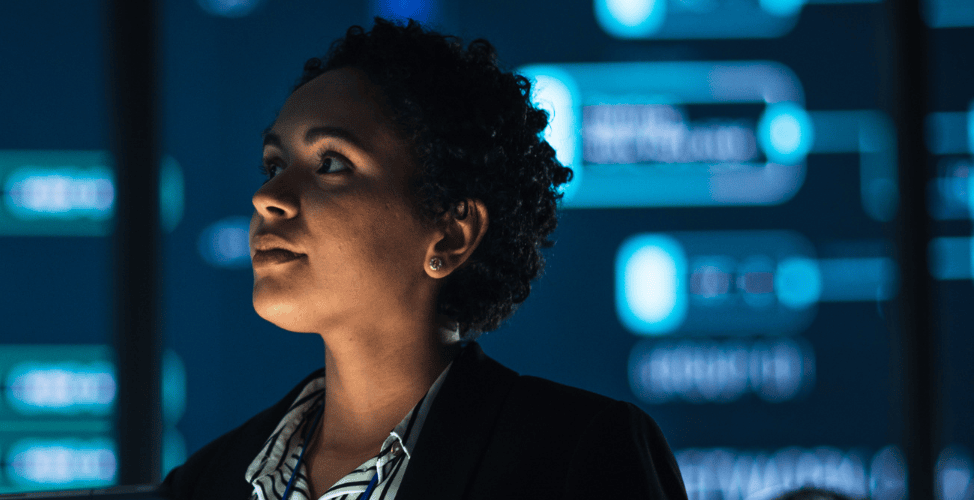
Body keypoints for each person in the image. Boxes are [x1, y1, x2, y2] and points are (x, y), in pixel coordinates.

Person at [161, 18, 687, 500]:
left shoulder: (576, 455)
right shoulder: (202, 484)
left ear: (451, 234)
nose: (267, 197)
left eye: (332, 163)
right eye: (274, 165)